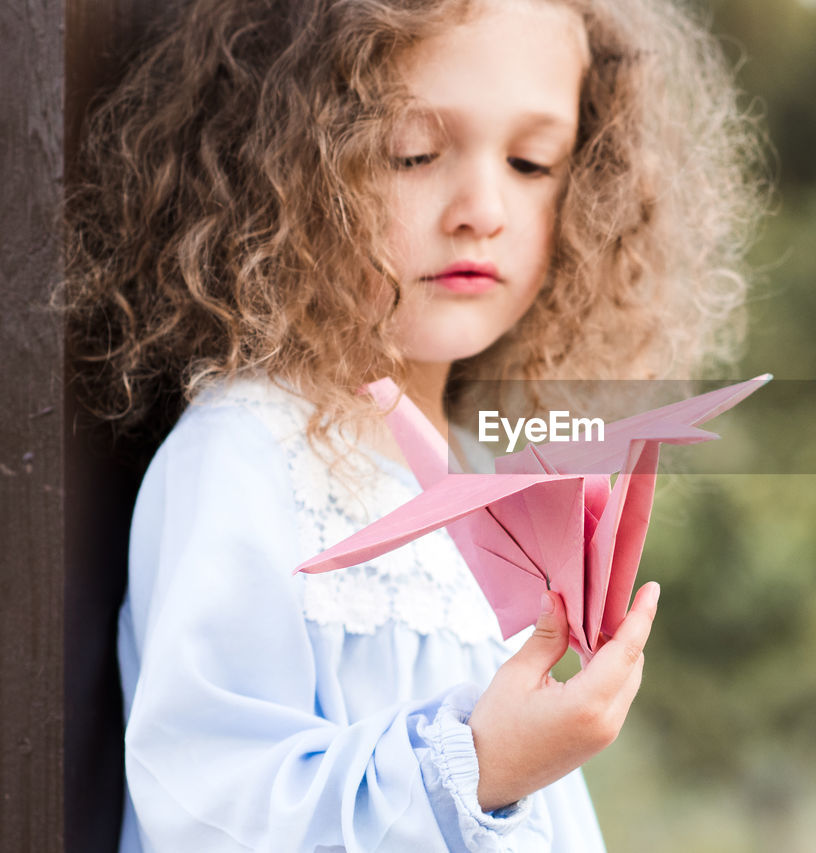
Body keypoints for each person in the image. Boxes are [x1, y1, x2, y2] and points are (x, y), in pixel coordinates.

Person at [62, 0, 763, 849]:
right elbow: (209, 804)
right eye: (414, 152)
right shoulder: (246, 452)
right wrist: (476, 765)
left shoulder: (491, 468)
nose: (481, 208)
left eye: (533, 162)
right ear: (286, 165)